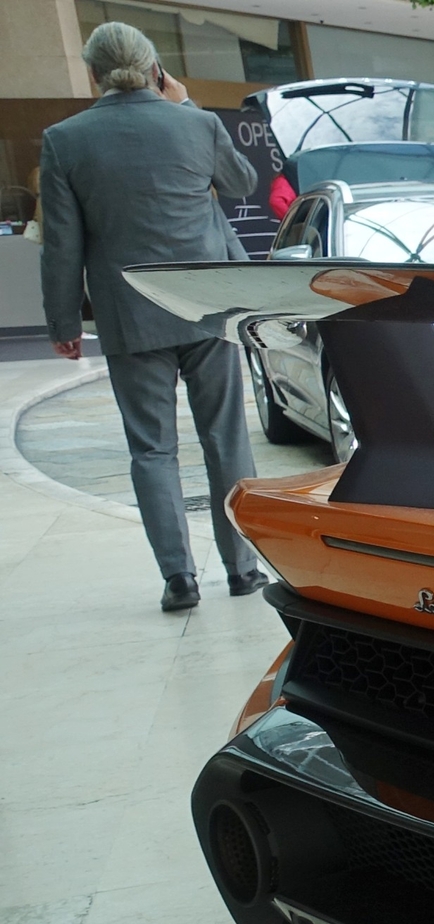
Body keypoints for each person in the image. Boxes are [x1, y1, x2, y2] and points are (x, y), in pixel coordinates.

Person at [40, 22, 265, 612]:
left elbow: (61, 242)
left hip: (129, 316)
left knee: (150, 450)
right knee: (226, 438)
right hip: (207, 308)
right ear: (154, 69)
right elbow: (242, 184)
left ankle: (179, 579)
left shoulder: (65, 139)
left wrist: (64, 323)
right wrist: (186, 101)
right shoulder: (194, 122)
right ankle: (243, 569)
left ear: (93, 72)